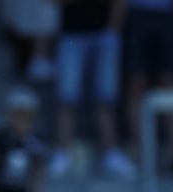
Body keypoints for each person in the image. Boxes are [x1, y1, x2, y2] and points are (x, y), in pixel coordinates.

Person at [48, 0, 137, 180]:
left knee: (106, 98)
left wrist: (113, 28)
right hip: (71, 34)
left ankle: (111, 153)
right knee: (67, 97)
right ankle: (63, 153)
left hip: (105, 33)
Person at [123, 0, 173, 170]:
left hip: (168, 13)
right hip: (136, 13)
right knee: (136, 83)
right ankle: (140, 152)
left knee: (170, 84)